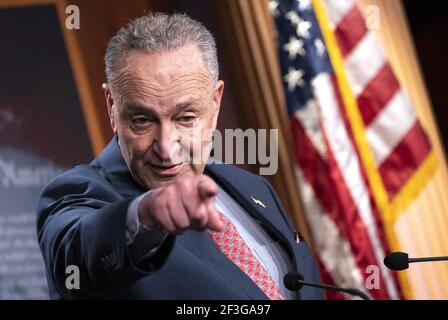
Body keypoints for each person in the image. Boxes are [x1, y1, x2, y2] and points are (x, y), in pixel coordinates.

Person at [37, 12, 323, 300]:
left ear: (215, 101)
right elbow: (76, 256)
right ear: (112, 105)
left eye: (185, 117)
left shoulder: (254, 188)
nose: (166, 147)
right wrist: (147, 215)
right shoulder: (78, 194)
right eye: (142, 120)